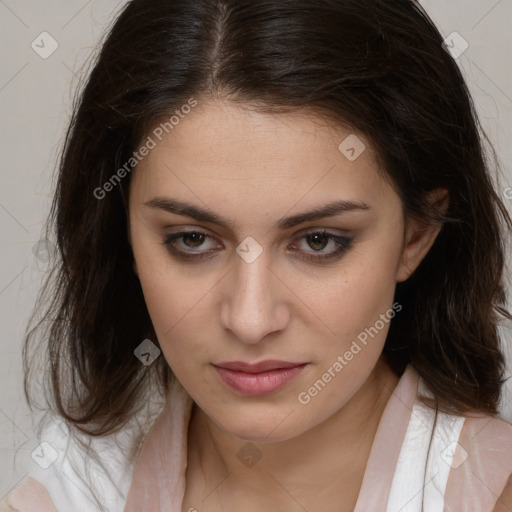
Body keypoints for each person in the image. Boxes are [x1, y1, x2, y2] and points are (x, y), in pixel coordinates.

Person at [2, 0, 512, 510]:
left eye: (319, 241)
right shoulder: (72, 486)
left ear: (416, 235)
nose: (250, 321)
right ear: (124, 234)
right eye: (192, 239)